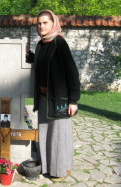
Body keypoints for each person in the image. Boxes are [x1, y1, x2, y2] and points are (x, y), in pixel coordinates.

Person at [26, 10, 80, 182]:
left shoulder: (59, 43)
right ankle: (49, 167)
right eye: (39, 23)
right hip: (43, 98)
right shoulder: (41, 44)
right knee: (44, 133)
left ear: (53, 23)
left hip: (59, 98)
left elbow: (72, 73)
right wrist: (29, 55)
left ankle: (60, 171)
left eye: (45, 23)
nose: (41, 26)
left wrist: (73, 100)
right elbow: (42, 63)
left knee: (58, 135)